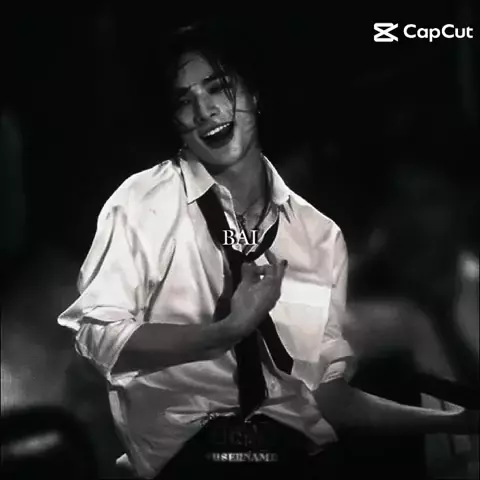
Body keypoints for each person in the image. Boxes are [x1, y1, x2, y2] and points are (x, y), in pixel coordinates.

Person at [58, 21, 478, 480]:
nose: (205, 110)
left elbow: (326, 397)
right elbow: (97, 343)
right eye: (183, 100)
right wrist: (224, 333)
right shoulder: (142, 206)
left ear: (252, 95)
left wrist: (451, 422)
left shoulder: (317, 235)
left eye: (218, 88)